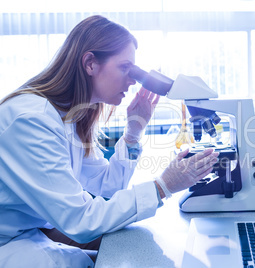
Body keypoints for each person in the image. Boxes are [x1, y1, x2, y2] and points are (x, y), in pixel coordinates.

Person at [0, 15, 219, 267]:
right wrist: (163, 186)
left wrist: (133, 132)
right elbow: (80, 220)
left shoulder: (68, 117)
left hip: (31, 233)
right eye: (126, 68)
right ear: (90, 63)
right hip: (9, 244)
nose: (133, 80)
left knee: (132, 252)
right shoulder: (31, 121)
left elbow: (107, 186)